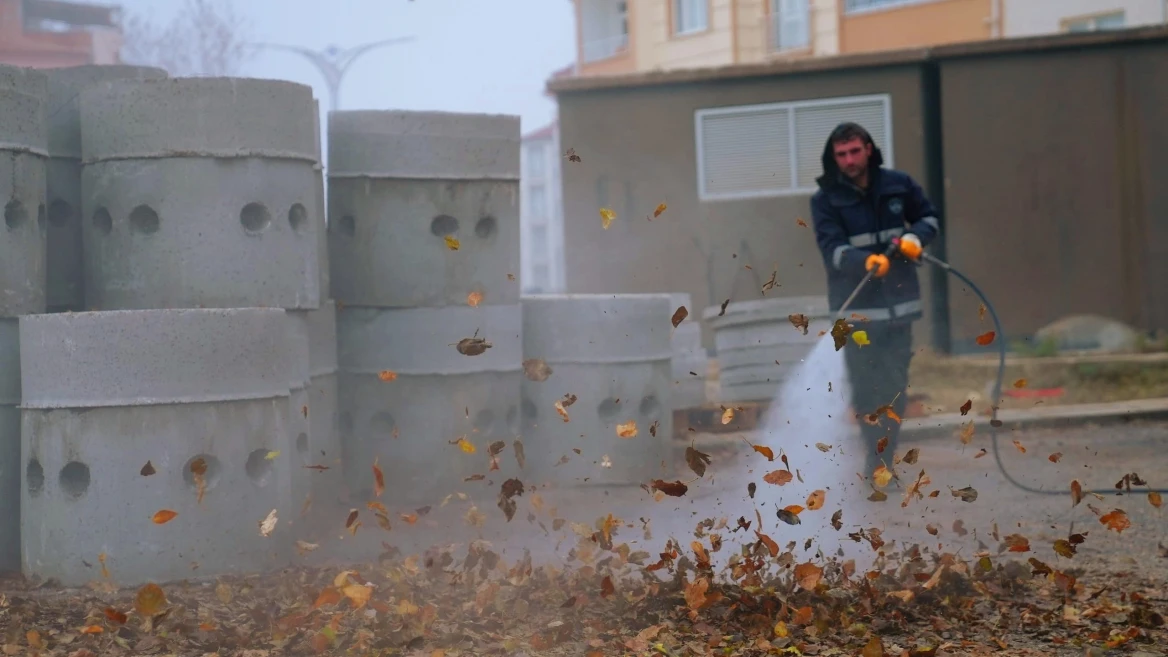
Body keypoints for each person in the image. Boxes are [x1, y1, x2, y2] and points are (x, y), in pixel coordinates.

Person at [809, 122, 940, 477]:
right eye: (841, 155)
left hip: (900, 309)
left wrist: (916, 237)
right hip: (857, 315)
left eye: (854, 151)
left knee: (895, 389)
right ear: (833, 158)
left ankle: (884, 457)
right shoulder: (825, 200)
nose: (849, 160)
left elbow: (930, 217)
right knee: (867, 391)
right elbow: (831, 249)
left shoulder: (899, 185)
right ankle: (876, 459)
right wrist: (863, 261)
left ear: (868, 149)